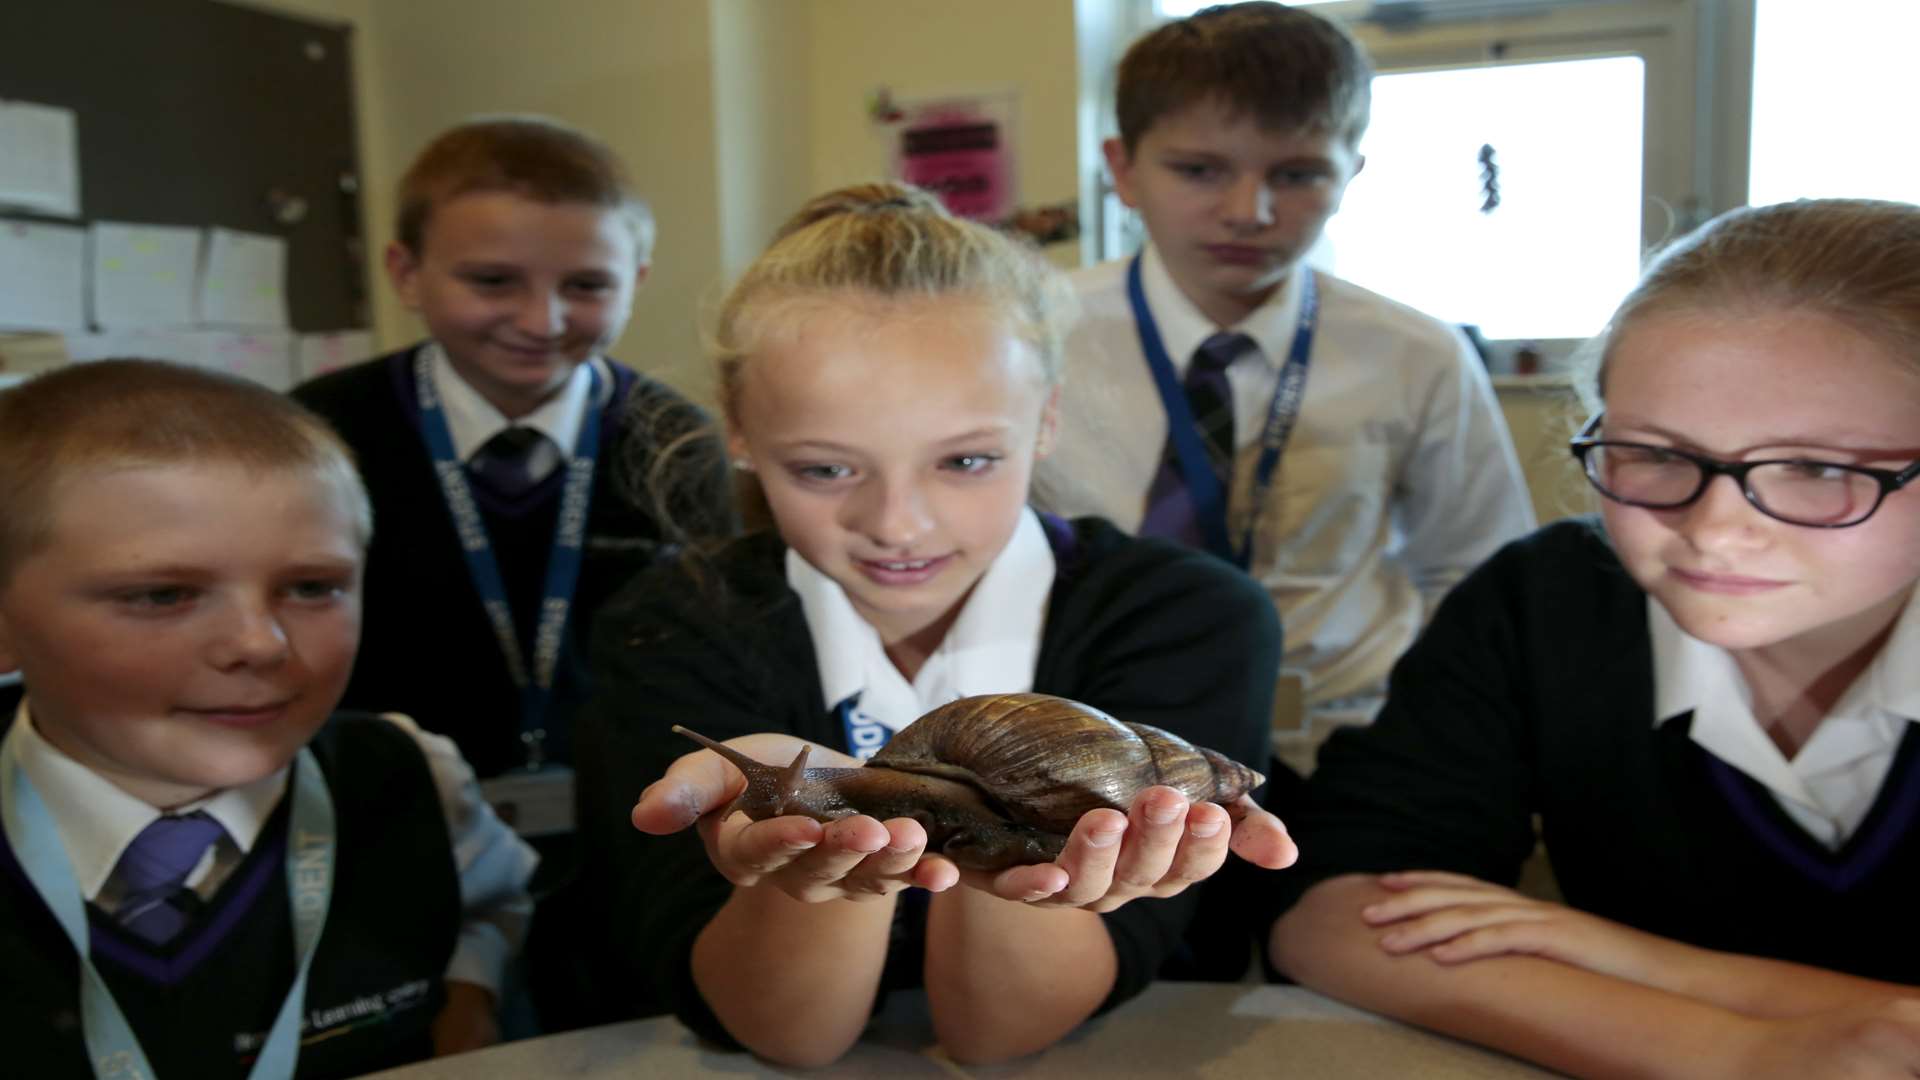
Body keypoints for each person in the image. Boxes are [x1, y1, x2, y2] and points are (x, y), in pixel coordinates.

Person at [568, 182, 1297, 1067]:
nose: (898, 523)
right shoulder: (669, 623)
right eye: (827, 468)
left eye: (966, 460)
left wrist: (1025, 845)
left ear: (1048, 418)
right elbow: (783, 1037)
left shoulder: (1188, 619)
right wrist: (819, 868)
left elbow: (1000, 1035)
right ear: (741, 433)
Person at [1268, 198, 1920, 1077]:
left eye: (1818, 468)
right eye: (1653, 454)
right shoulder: (1547, 602)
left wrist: (1631, 957)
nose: (1715, 527)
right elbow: (1332, 914)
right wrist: (1742, 1055)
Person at [1033, 1, 1534, 773]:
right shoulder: (1034, 338)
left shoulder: (1415, 354)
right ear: (1124, 169)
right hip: (1092, 734)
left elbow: (1476, 571)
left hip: (1344, 741)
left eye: (1297, 174)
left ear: (1351, 172)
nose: (1249, 212)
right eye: (1200, 170)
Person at [0, 360, 538, 1078]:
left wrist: (470, 992)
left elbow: (491, 904)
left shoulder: (411, 778)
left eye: (313, 587)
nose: (260, 643)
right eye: (163, 595)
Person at [290, 115, 732, 796]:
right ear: (406, 273)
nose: (540, 321)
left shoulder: (685, 448)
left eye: (587, 286)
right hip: (382, 807)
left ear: (636, 280)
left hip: (634, 810)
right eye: (493, 281)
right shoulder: (316, 435)